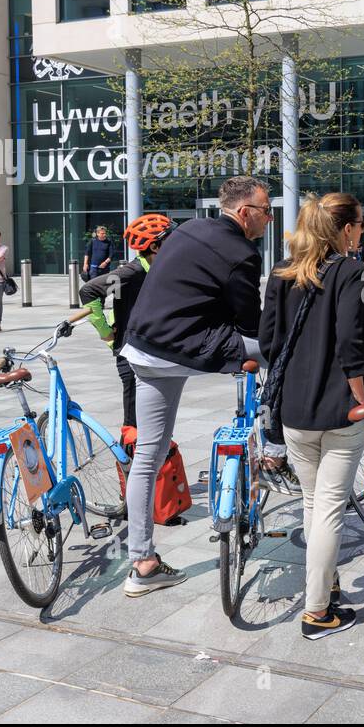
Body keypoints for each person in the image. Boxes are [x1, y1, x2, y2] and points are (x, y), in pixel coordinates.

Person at [118, 175, 273, 597]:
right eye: (265, 210)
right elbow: (250, 322)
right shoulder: (242, 252)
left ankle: (142, 563)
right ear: (245, 213)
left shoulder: (187, 229)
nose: (269, 217)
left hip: (141, 350)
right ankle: (277, 445)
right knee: (280, 352)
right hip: (185, 347)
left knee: (148, 455)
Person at [260, 193, 364, 639]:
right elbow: (353, 341)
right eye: (360, 227)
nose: (361, 235)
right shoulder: (353, 271)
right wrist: (361, 394)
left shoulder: (281, 274)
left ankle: (325, 581)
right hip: (340, 406)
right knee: (331, 507)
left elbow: (268, 342)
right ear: (349, 229)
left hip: (293, 408)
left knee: (314, 503)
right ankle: (317, 613)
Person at [79, 214, 174, 433]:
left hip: (148, 350)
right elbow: (89, 290)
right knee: (133, 424)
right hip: (129, 353)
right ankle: (129, 462)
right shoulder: (132, 272)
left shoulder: (156, 268)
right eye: (170, 239)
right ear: (155, 247)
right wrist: (106, 333)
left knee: (152, 421)